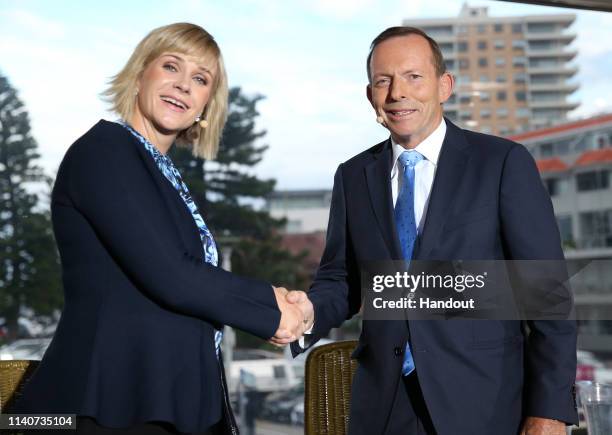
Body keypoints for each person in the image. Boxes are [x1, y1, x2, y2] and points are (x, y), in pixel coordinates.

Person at [13, 23, 307, 435]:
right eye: (172, 66)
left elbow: (187, 274)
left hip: (167, 401)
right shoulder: (104, 152)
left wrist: (273, 302)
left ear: (207, 104)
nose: (184, 85)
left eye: (200, 79)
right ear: (139, 74)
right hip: (103, 404)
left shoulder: (161, 171)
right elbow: (172, 275)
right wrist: (270, 308)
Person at [289, 26, 577, 435]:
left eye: (413, 77)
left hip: (484, 403)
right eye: (382, 81)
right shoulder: (353, 176)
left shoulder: (501, 163)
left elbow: (547, 295)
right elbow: (345, 279)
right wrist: (305, 314)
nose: (397, 93)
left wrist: (549, 412)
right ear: (369, 94)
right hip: (385, 407)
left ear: (445, 86)